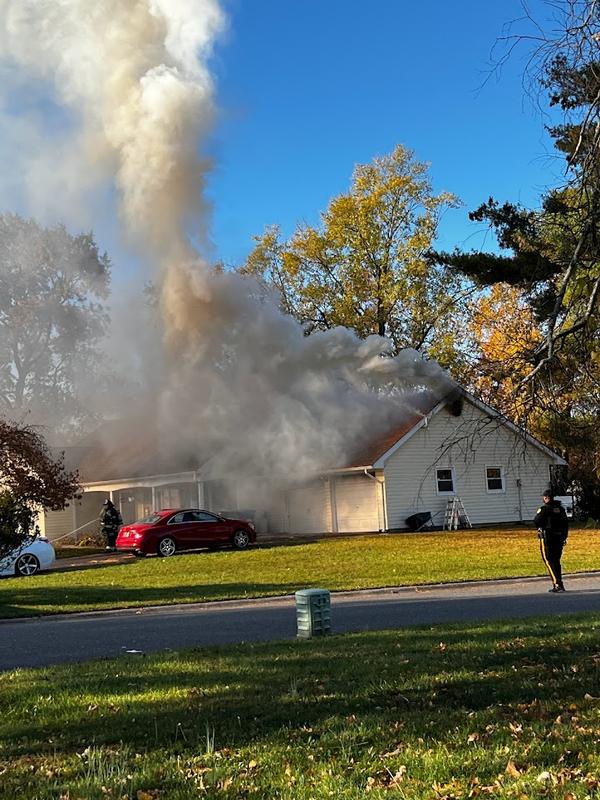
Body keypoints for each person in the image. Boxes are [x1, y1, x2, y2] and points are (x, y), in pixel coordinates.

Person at [534, 488, 569, 593]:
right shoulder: (561, 509)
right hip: (559, 538)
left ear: (547, 498)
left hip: (548, 538)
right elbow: (565, 524)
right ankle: (559, 583)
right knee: (556, 561)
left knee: (549, 560)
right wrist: (564, 537)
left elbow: (536, 521)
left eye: (544, 497)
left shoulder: (544, 509)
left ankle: (557, 584)